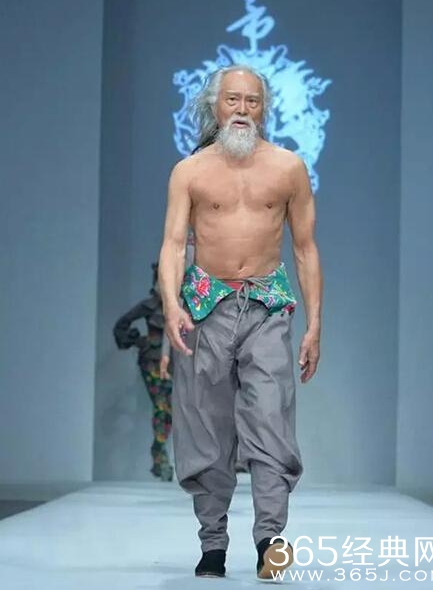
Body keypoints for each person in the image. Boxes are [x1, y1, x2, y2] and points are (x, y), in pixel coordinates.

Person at [158, 64, 322, 579]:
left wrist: (315, 323)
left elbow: (305, 248)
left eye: (252, 101)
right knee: (206, 428)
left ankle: (270, 539)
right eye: (233, 100)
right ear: (215, 104)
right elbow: (172, 245)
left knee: (272, 420)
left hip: (267, 306)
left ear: (264, 107)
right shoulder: (190, 171)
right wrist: (170, 305)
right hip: (206, 306)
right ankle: (213, 543)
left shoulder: (288, 168)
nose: (242, 110)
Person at [113, 262, 175, 481]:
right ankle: (160, 456)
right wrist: (139, 341)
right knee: (162, 407)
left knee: (169, 411)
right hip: (152, 363)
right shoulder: (149, 306)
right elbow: (121, 325)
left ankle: (159, 454)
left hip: (174, 364)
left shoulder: (180, 306)